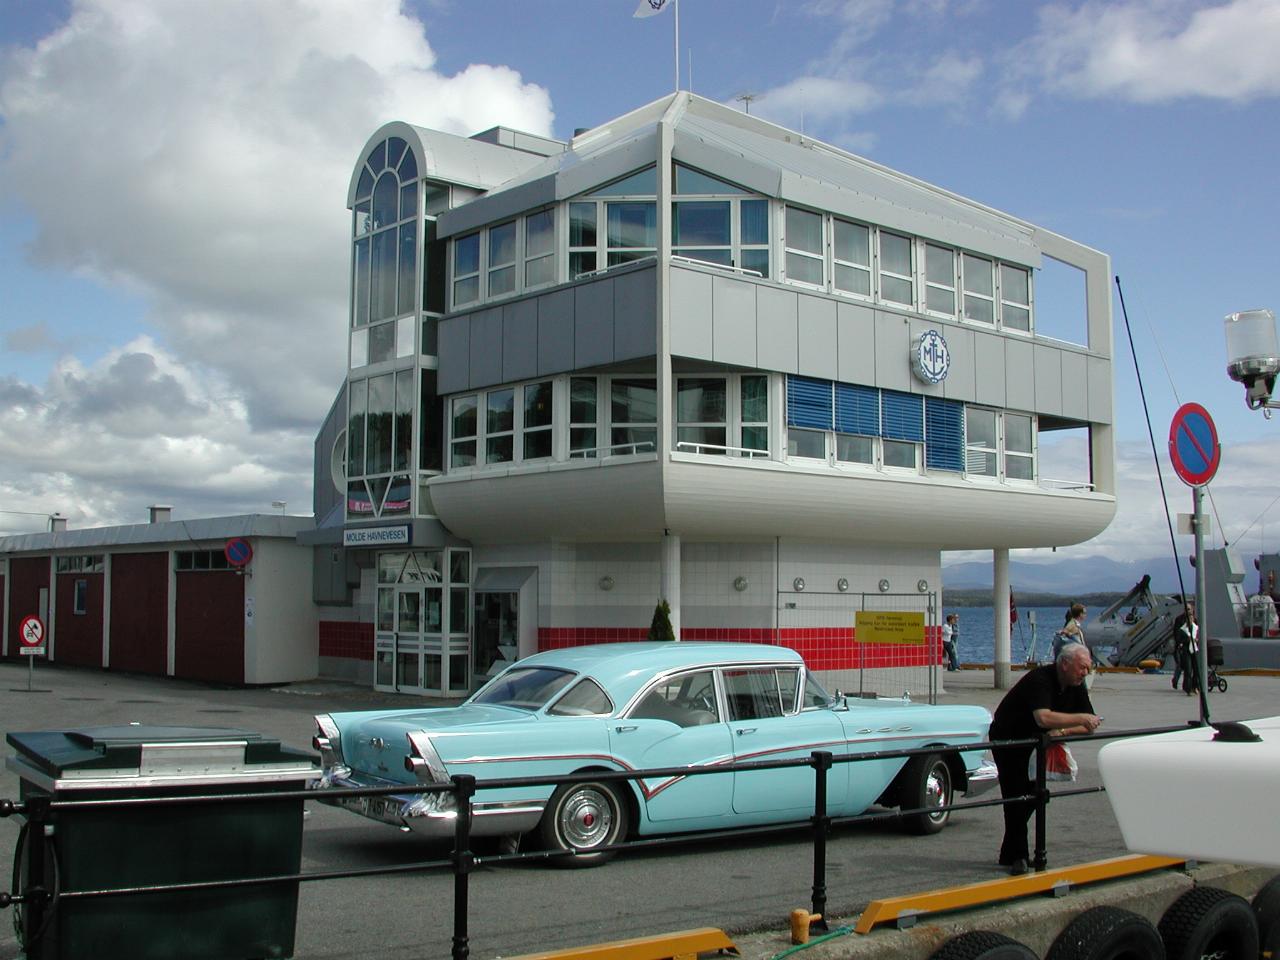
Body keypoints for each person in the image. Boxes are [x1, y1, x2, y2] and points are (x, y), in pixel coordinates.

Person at [989, 643, 1100, 876]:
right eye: (1082, 668)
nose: (1085, 674)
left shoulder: (1076, 685)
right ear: (1065, 664)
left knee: (1034, 796)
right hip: (1010, 738)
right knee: (1016, 795)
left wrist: (1063, 731)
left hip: (1039, 742)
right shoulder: (1040, 679)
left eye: (1088, 669)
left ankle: (1009, 852)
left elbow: (1089, 725)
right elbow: (1043, 718)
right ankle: (1019, 856)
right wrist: (1078, 719)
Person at [1172, 600, 1199, 696]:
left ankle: (1194, 686)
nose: (1188, 611)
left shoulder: (1195, 621)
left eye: (1189, 609)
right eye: (1186, 609)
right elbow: (1177, 634)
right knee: (1187, 668)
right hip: (1184, 648)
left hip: (1194, 647)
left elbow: (1198, 633)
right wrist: (1181, 642)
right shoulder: (1179, 620)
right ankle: (1187, 688)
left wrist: (1197, 640)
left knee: (1196, 668)